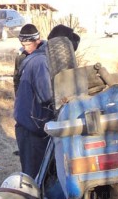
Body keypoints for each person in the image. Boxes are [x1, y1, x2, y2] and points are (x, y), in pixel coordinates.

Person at [14, 24, 80, 178]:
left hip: (32, 125)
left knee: (41, 175)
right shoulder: (41, 63)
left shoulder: (41, 59)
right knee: (36, 178)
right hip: (32, 129)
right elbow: (47, 96)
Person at [13, 24, 43, 94]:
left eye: (29, 45)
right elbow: (17, 82)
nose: (26, 48)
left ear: (38, 40)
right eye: (23, 45)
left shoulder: (46, 57)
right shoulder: (20, 58)